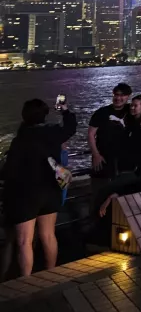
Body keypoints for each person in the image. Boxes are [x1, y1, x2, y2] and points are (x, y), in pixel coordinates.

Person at [1, 98, 76, 277]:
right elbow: (71, 127)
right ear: (44, 115)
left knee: (24, 242)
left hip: (27, 195)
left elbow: (8, 171)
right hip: (51, 190)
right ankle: (51, 276)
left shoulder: (21, 139)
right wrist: (65, 111)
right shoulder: (53, 132)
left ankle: (26, 282)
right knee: (48, 236)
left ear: (24, 116)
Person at [88, 83, 134, 181]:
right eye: (116, 95)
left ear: (128, 97)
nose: (118, 98)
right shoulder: (101, 112)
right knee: (101, 185)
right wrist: (96, 155)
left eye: (122, 95)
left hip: (124, 157)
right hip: (103, 156)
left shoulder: (131, 110)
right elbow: (91, 134)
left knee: (123, 186)